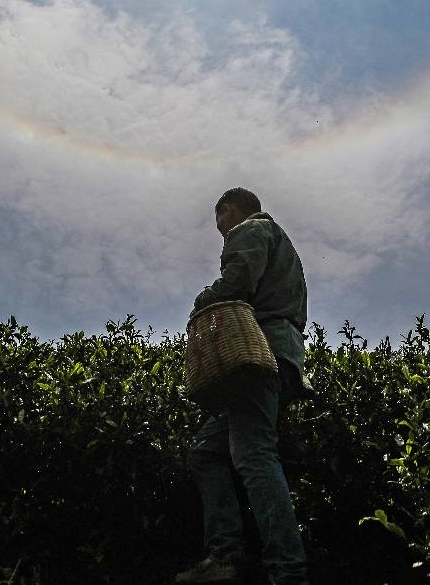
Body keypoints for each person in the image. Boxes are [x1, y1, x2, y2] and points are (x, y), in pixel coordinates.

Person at [177, 188, 312, 585]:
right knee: (206, 452)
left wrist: (202, 300)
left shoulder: (250, 230)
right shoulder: (285, 247)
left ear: (229, 210)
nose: (219, 227)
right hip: (282, 358)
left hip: (258, 357)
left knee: (254, 454)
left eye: (220, 217)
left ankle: (288, 572)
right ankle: (226, 555)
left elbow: (236, 282)